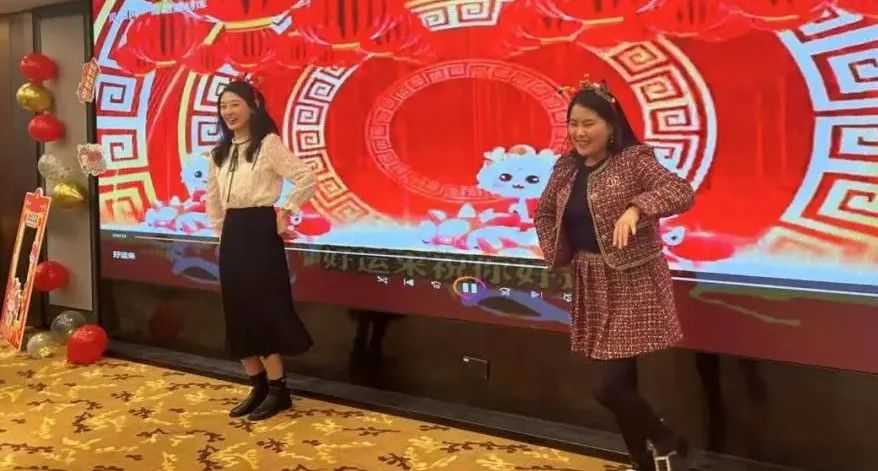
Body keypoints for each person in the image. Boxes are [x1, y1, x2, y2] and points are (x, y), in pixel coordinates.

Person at [535, 77, 695, 471]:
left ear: (611, 126)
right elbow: (544, 212)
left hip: (633, 278)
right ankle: (643, 460)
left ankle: (665, 436)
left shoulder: (635, 160)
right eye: (573, 124)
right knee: (622, 384)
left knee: (607, 388)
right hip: (590, 277)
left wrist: (637, 209)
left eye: (588, 123)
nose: (579, 132)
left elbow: (680, 191)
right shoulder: (566, 168)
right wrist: (558, 249)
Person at [205, 78, 317, 421]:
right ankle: (258, 387)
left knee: (262, 309)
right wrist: (221, 234)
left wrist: (285, 213)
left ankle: (279, 390)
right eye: (223, 106)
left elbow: (306, 177)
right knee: (236, 310)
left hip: (260, 231)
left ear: (252, 107)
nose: (228, 112)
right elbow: (213, 198)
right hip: (233, 235)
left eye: (234, 104)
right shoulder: (219, 153)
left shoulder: (268, 144)